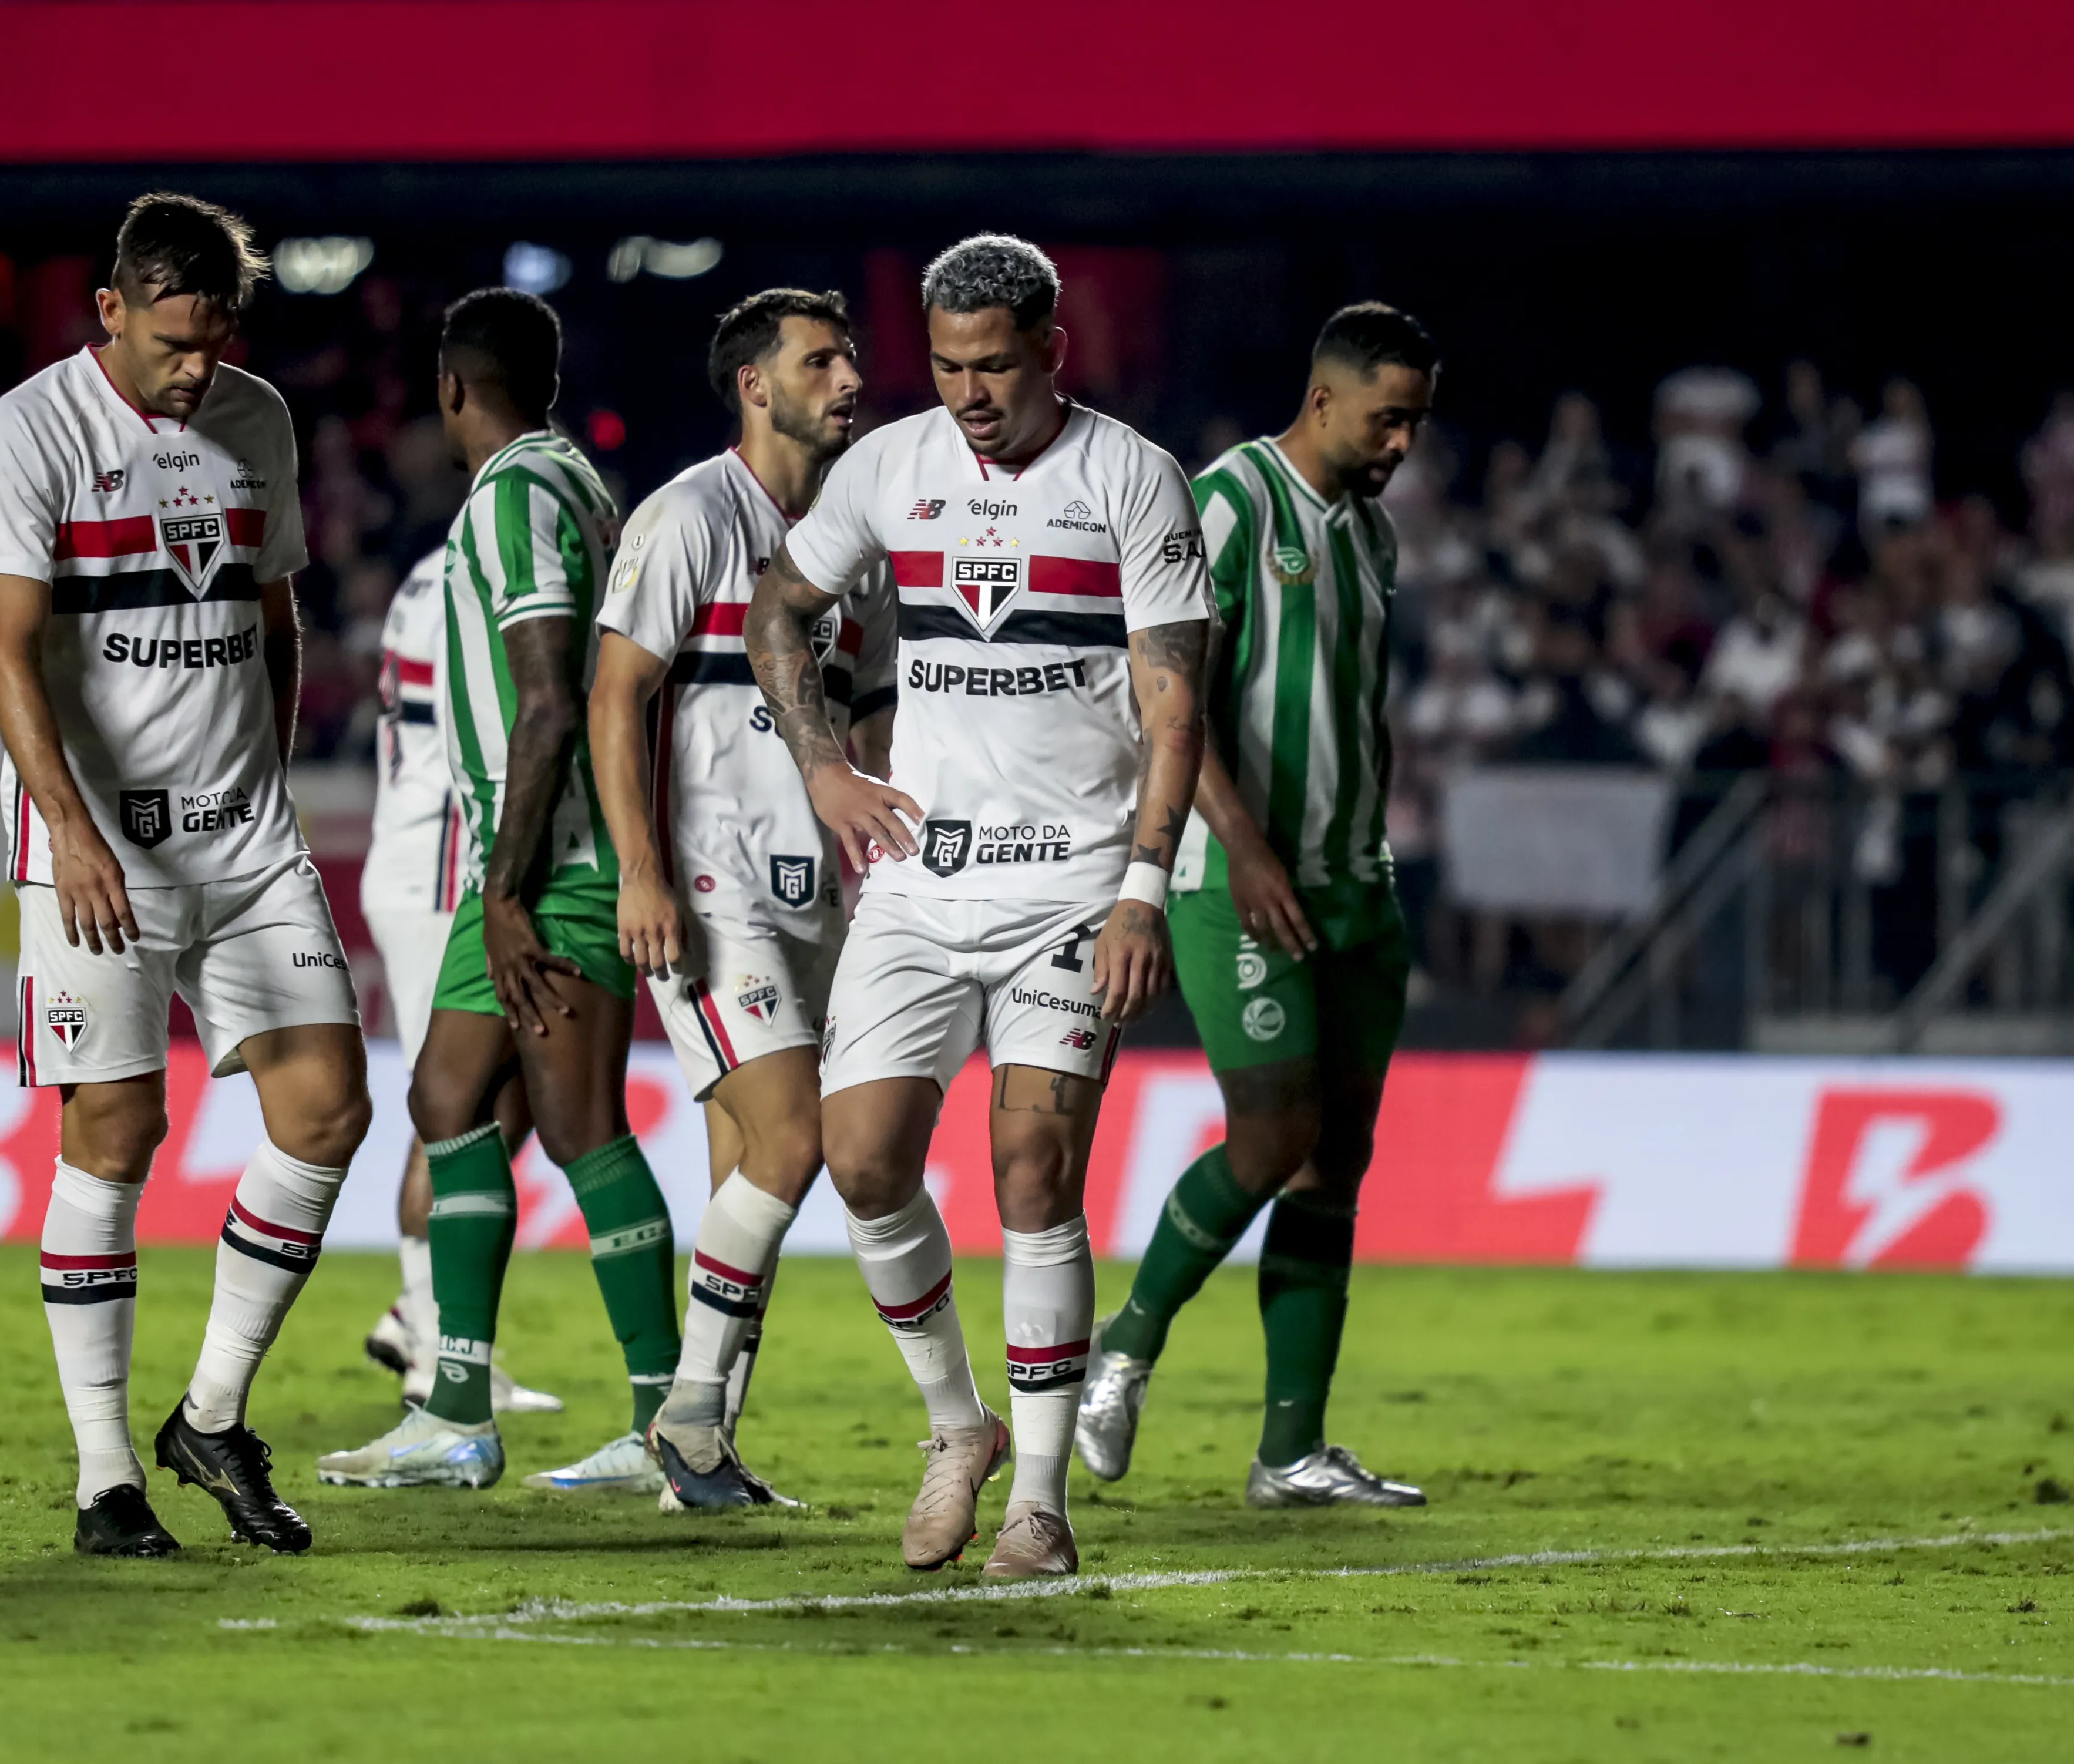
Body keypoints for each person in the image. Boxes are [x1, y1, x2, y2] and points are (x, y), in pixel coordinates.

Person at [744, 235, 1211, 1577]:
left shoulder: (1131, 480)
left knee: (1031, 1169)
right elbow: (781, 605)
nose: (967, 394)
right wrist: (824, 763)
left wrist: (1141, 886)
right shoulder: (887, 467)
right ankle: (960, 1427)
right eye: (946, 367)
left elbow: (1174, 705)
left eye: (993, 365)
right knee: (864, 1159)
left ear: (1051, 352)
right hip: (919, 878)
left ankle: (1041, 1505)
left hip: (1071, 881)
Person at [0, 192, 371, 1558]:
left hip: (244, 833)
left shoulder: (257, 421)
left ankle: (208, 1415)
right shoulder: (35, 430)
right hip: (100, 839)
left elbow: (273, 613)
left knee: (327, 1109)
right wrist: (70, 832)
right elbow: (8, 650)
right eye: (173, 343)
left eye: (215, 342)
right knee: (117, 1136)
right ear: (113, 313)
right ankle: (103, 1480)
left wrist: (274, 766)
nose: (196, 370)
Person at [315, 289, 681, 1495]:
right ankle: (456, 1411)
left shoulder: (517, 496)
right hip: (529, 861)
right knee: (446, 1094)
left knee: (578, 1127)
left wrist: (511, 885)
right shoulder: (579, 482)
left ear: (452, 389)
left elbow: (545, 701)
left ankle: (665, 1424)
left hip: (555, 863)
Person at [1075, 302, 1440, 1513]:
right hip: (1234, 883)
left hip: (1352, 888)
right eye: (1387, 419)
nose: (1399, 444)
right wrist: (1237, 846)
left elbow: (1357, 713)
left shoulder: (1371, 536)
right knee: (1271, 1134)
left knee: (1334, 1164)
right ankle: (1121, 1347)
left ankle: (1290, 1452)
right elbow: (1165, 693)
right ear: (1324, 398)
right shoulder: (1227, 501)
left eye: (1413, 424)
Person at [586, 289, 896, 1510]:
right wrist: (641, 868)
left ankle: (698, 1461)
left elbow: (860, 711)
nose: (849, 378)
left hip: (816, 890)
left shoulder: (851, 541)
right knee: (795, 1140)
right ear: (754, 386)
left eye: (850, 358)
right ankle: (685, 1417)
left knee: (747, 1174)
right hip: (713, 886)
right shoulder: (687, 516)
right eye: (821, 361)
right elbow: (616, 698)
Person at [351, 542, 560, 1418]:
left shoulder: (427, 569)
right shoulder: (487, 574)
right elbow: (527, 713)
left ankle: (421, 1315)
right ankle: (430, 1346)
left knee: (501, 1102)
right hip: (446, 866)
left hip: (425, 854)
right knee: (456, 1105)